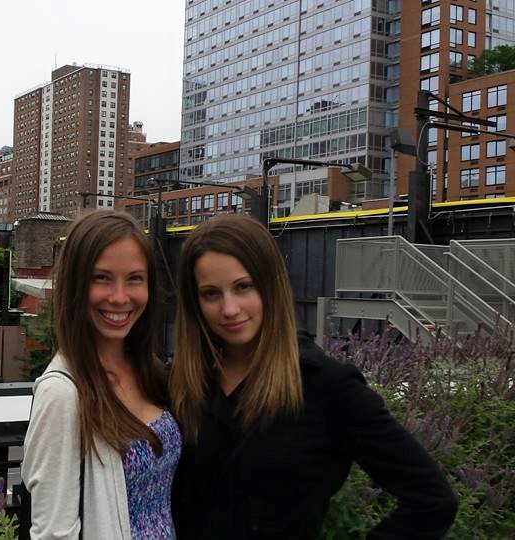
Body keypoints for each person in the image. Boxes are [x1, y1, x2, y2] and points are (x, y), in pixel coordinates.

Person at [170, 214, 457, 538]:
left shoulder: (327, 387)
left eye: (243, 287)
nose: (230, 308)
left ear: (271, 285)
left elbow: (433, 501)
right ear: (194, 302)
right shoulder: (181, 385)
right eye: (211, 294)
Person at [21, 210, 180, 539]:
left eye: (134, 278)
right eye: (101, 278)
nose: (120, 297)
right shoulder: (62, 394)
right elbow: (53, 533)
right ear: (75, 286)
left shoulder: (147, 369)